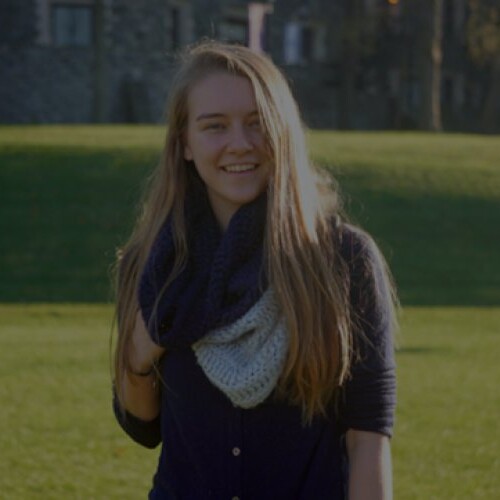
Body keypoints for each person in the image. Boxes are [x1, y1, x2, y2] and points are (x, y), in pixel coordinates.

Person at [112, 41, 397, 500]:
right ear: (185, 142)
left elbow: (367, 437)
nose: (240, 144)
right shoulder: (154, 264)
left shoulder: (343, 261)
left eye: (257, 123)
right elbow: (141, 425)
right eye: (214, 126)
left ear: (282, 132)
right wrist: (139, 356)